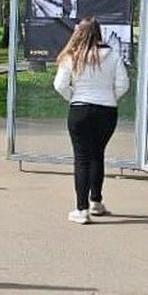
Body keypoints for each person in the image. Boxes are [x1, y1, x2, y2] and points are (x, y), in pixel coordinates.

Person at [53, 18, 130, 224]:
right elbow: (123, 84)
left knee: (82, 158)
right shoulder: (112, 55)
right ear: (99, 33)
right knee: (98, 155)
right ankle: (95, 201)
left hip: (80, 110)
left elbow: (60, 84)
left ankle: (81, 209)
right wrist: (110, 97)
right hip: (106, 111)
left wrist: (75, 96)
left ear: (79, 33)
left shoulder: (72, 55)